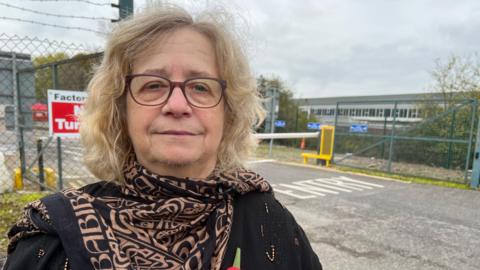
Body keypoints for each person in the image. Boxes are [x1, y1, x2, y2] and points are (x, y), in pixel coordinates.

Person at [4, 5, 322, 270]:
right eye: (153, 85)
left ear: (228, 112)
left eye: (200, 86)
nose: (177, 105)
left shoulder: (272, 223)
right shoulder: (52, 238)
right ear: (121, 110)